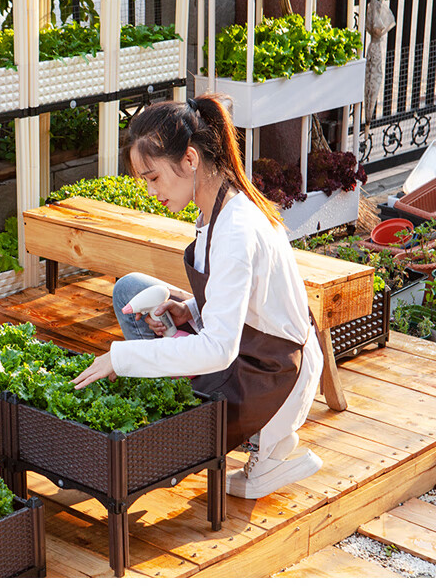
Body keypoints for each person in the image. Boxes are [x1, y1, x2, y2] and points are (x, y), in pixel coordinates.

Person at [70, 93, 324, 499]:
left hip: (269, 373)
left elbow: (220, 349)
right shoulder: (214, 206)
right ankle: (211, 425)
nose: (151, 190)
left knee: (143, 449)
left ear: (190, 160)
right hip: (249, 348)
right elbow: (247, 299)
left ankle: (264, 444)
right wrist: (187, 309)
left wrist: (122, 358)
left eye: (152, 177)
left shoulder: (236, 228)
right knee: (130, 291)